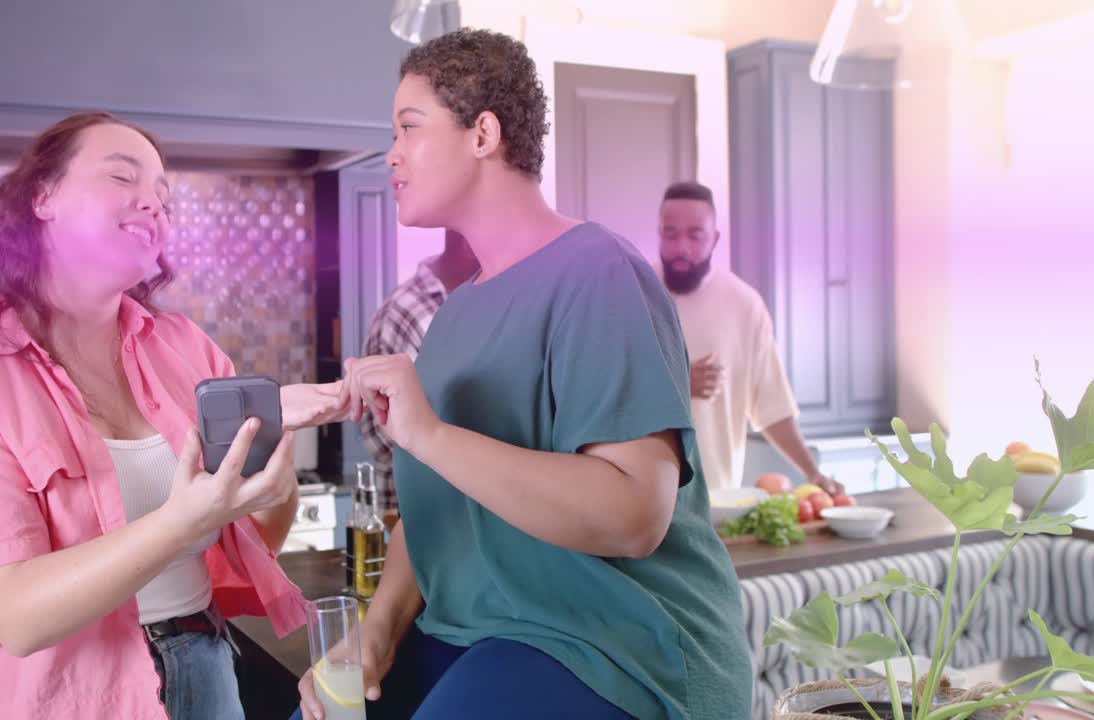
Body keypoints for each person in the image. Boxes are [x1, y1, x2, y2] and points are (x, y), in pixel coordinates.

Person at [296, 30, 752, 720]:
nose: (390, 154)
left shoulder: (599, 272)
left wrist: (431, 435)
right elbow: (437, 512)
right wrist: (377, 630)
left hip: (615, 646)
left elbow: (635, 516)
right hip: (472, 632)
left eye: (409, 128)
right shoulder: (454, 316)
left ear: (483, 133)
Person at [0, 111, 349, 720]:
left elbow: (254, 536)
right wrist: (181, 520)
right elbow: (16, 615)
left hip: (205, 668)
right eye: (122, 177)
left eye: (164, 198)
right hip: (47, 699)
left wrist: (272, 454)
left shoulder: (185, 347)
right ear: (43, 197)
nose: (153, 206)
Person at [655, 181, 844, 496]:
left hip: (718, 498)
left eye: (695, 235)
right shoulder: (635, 295)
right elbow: (606, 394)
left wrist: (813, 473)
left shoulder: (744, 305)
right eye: (670, 234)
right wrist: (679, 384)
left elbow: (772, 407)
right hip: (643, 500)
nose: (681, 248)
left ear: (715, 239)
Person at [359, 229, 478, 510]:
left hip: (471, 502)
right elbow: (381, 434)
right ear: (468, 245)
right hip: (422, 509)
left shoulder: (478, 302)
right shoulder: (410, 310)